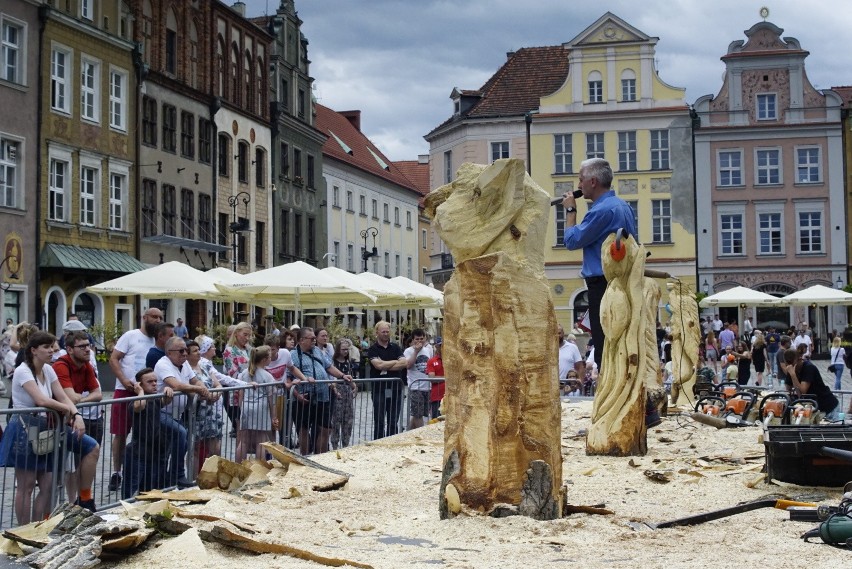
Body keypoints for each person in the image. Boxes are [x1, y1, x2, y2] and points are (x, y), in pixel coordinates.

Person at [0, 332, 100, 521]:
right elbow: (41, 399)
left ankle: (39, 528)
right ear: (34, 350)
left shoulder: (48, 370)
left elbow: (62, 395)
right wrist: (67, 410)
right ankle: (24, 531)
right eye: (47, 347)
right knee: (27, 485)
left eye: (52, 346)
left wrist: (76, 414)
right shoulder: (23, 370)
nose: (52, 351)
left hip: (44, 428)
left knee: (47, 485)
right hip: (24, 428)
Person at [562, 157, 637, 371]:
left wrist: (570, 211)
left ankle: (609, 388)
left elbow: (572, 240)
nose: (578, 185)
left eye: (580, 180)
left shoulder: (600, 211)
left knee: (605, 341)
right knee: (620, 340)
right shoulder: (623, 206)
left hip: (602, 284)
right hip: (622, 280)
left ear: (592, 182)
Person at [108, 307, 162, 492]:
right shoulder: (130, 336)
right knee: (121, 432)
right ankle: (117, 472)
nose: (157, 320)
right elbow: (114, 358)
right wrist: (124, 380)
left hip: (146, 393)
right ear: (144, 317)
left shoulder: (158, 340)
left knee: (146, 433)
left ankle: (141, 472)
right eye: (154, 316)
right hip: (125, 390)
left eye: (160, 317)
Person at [53, 330, 103, 503]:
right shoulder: (61, 365)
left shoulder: (86, 364)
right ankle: (66, 505)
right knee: (53, 476)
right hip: (55, 423)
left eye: (88, 345)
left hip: (73, 419)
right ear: (69, 349)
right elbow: (70, 397)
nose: (87, 349)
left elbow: (98, 394)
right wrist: (76, 401)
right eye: (82, 346)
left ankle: (84, 499)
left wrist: (79, 400)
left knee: (90, 451)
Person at [154, 336, 210, 486]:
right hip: (161, 412)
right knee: (180, 435)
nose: (185, 354)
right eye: (181, 351)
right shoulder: (162, 364)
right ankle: (177, 475)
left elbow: (193, 379)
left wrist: (201, 385)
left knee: (181, 442)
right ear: (169, 352)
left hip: (177, 413)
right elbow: (176, 385)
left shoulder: (183, 364)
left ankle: (170, 477)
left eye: (185, 350)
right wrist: (198, 389)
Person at [290, 327, 353, 455]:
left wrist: (342, 375)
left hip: (323, 396)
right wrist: (298, 395)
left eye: (314, 338)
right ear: (302, 340)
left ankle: (321, 458)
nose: (314, 340)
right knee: (303, 429)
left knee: (325, 428)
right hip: (305, 398)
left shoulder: (318, 351)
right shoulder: (293, 355)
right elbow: (288, 378)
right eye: (312, 338)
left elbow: (329, 366)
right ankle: (306, 458)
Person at [121, 368, 172, 499]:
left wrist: (168, 391)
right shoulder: (135, 402)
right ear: (140, 385)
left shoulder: (154, 399)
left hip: (154, 452)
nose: (155, 384)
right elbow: (140, 405)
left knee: (149, 491)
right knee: (130, 492)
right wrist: (140, 391)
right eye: (150, 382)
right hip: (137, 454)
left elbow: (165, 401)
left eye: (155, 381)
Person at [186, 339, 226, 474]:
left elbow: (218, 384)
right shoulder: (186, 370)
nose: (198, 353)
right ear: (187, 354)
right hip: (197, 412)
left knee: (215, 446)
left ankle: (214, 475)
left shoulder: (205, 366)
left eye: (198, 350)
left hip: (212, 411)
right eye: (195, 351)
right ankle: (195, 477)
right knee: (197, 447)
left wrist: (217, 393)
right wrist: (206, 396)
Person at [236, 346, 279, 461]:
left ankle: (238, 467)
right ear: (264, 359)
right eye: (269, 357)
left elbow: (241, 393)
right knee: (261, 441)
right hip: (261, 408)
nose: (271, 359)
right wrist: (274, 416)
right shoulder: (267, 376)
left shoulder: (244, 373)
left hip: (246, 406)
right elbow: (271, 399)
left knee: (243, 441)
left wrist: (242, 407)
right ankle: (259, 469)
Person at [367, 321, 407, 440]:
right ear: (377, 333)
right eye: (383, 331)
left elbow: (404, 363)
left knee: (393, 420)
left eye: (387, 331)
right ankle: (379, 443)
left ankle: (392, 442)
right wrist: (395, 362)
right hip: (379, 389)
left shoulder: (395, 347)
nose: (385, 334)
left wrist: (385, 364)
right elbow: (378, 366)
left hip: (395, 388)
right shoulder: (373, 349)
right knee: (379, 420)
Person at [783, 347, 840, 420]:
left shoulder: (809, 368)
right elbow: (788, 389)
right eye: (788, 364)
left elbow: (803, 391)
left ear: (800, 359)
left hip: (828, 407)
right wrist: (790, 374)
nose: (790, 366)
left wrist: (793, 375)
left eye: (792, 363)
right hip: (814, 408)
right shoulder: (791, 369)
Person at [222, 322, 253, 437]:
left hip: (252, 392)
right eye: (245, 335)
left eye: (249, 335)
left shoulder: (250, 349)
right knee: (242, 430)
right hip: (237, 393)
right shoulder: (229, 350)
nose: (247, 338)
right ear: (236, 334)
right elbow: (233, 373)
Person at [329, 338, 357, 449]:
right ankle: (335, 444)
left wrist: (354, 386)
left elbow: (351, 376)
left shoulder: (348, 362)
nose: (345, 351)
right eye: (343, 349)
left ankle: (346, 443)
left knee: (348, 419)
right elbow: (332, 377)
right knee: (336, 420)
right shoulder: (333, 362)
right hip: (338, 392)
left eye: (347, 349)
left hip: (347, 392)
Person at [404, 329, 433, 430]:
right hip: (415, 386)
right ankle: (423, 433)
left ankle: (408, 432)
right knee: (418, 414)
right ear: (412, 339)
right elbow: (408, 365)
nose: (420, 341)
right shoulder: (408, 351)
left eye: (422, 339)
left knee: (419, 414)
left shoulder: (429, 350)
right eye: (417, 339)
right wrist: (416, 351)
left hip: (427, 386)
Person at [426, 337, 445, 419]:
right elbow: (432, 378)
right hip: (437, 397)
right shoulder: (432, 361)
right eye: (440, 346)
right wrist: (447, 378)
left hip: (451, 396)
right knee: (436, 420)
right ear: (437, 347)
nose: (443, 348)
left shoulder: (453, 360)